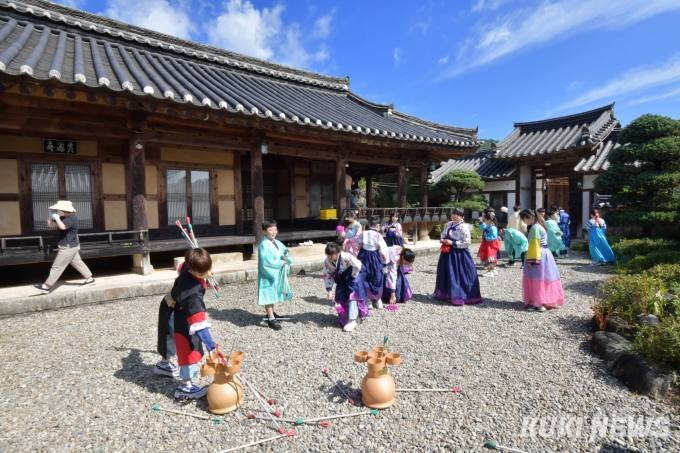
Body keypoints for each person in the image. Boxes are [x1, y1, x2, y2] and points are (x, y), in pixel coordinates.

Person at [170, 248, 218, 399]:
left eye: (210, 268)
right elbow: (199, 325)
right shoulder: (193, 294)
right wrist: (211, 345)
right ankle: (185, 387)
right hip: (184, 323)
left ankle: (166, 366)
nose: (210, 273)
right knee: (188, 352)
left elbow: (181, 266)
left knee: (188, 349)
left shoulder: (187, 266)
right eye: (205, 272)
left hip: (178, 312)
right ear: (195, 272)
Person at [35, 200, 95, 294]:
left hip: (68, 247)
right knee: (77, 263)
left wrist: (57, 219)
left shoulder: (71, 218)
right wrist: (51, 219)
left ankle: (46, 286)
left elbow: (62, 227)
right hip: (72, 246)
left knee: (57, 266)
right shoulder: (64, 217)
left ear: (63, 210)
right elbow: (52, 225)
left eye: (58, 210)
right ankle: (90, 279)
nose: (56, 211)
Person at [434, 208, 482, 305]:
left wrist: (452, 242)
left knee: (458, 274)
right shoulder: (448, 224)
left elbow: (467, 242)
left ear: (462, 217)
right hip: (446, 253)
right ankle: (446, 294)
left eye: (458, 214)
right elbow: (443, 234)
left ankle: (460, 296)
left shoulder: (464, 227)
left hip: (459, 254)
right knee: (445, 272)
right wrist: (442, 239)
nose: (455, 216)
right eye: (453, 214)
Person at [520, 209, 564, 311]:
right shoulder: (541, 225)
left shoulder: (535, 228)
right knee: (546, 278)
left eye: (524, 219)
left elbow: (534, 245)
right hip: (545, 253)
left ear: (529, 217)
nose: (524, 222)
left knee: (536, 278)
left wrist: (532, 260)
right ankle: (546, 301)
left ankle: (538, 303)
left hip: (537, 253)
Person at [323, 241, 369, 332]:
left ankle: (353, 319)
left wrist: (352, 275)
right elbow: (327, 275)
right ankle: (344, 317)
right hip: (341, 280)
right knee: (339, 299)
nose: (330, 257)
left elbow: (358, 265)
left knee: (353, 296)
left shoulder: (346, 256)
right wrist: (329, 290)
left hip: (353, 277)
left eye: (332, 255)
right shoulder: (327, 261)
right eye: (328, 255)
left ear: (337, 252)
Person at [257, 220, 293, 331]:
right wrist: (280, 263)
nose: (273, 232)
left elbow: (285, 252)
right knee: (268, 294)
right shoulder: (263, 244)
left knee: (273, 294)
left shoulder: (277, 242)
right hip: (267, 274)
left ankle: (271, 313)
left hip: (276, 272)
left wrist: (286, 259)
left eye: (275, 230)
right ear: (264, 231)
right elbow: (265, 262)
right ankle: (271, 318)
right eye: (270, 230)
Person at [359, 216, 389, 309]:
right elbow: (383, 250)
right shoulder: (378, 235)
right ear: (377, 225)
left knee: (365, 277)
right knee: (377, 276)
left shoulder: (363, 233)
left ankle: (368, 300)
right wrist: (385, 263)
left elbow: (359, 244)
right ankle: (377, 299)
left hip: (364, 256)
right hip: (374, 257)